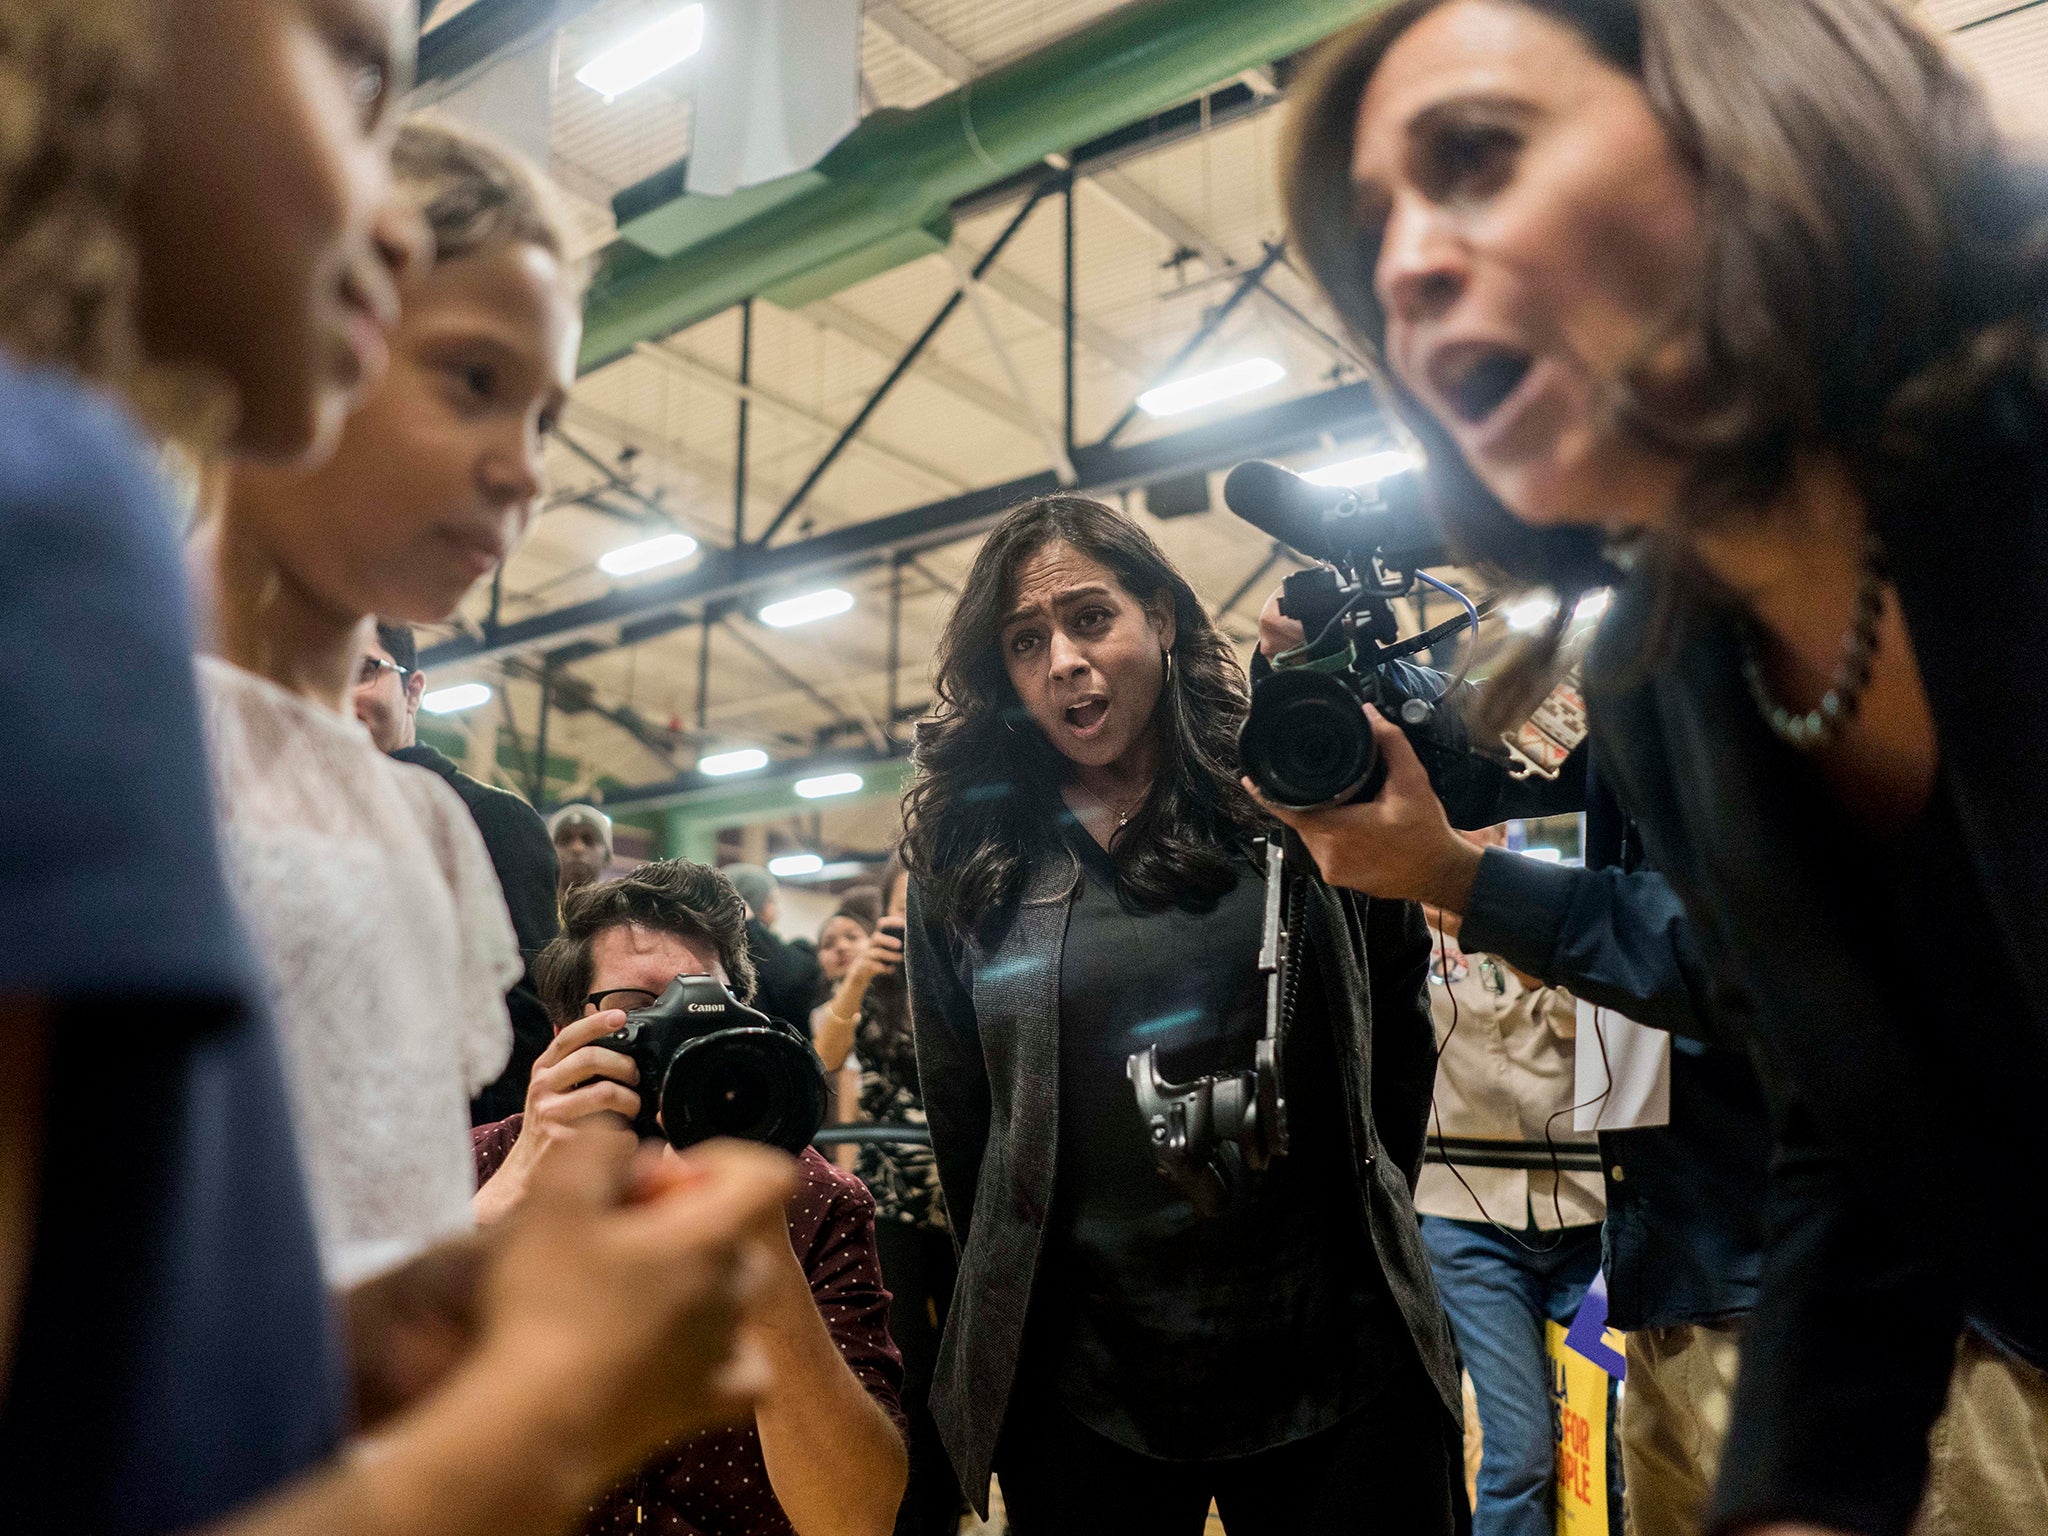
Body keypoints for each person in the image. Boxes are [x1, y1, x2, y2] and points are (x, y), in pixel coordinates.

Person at [0, 5, 791, 1535]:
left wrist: (426, 1313)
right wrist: (551, 1407)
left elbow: (126, 1343)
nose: (373, 213)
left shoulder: (428, 821)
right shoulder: (57, 524)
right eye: (349, 71)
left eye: (547, 413)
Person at [1279, 4, 2048, 1533]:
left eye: (1478, 158)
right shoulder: (1682, 668)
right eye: (1377, 239)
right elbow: (1861, 1117)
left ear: (1745, 117)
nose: (1410, 266)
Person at [900, 495, 1467, 1535]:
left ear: (1159, 616)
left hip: (1332, 1354)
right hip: (1087, 1382)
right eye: (1026, 641)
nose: (1063, 659)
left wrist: (1353, 1192)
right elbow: (967, 1124)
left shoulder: (1286, 792)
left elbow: (1393, 1021)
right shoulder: (967, 860)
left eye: (1089, 618)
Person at [195, 114, 579, 1287]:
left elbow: (381, 1253)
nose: (526, 469)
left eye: (545, 417)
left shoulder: (427, 828)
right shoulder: (93, 714)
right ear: (312, 328)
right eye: (474, 380)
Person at [471, 858, 910, 1536]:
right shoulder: (479, 1168)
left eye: (706, 1007)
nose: (681, 1036)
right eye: (643, 1012)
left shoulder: (815, 1199)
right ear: (564, 1032)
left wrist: (761, 1244)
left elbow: (856, 1521)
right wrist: (511, 1192)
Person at [1414, 828, 1604, 1536]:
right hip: (1470, 1233)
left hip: (1589, 1229)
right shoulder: (1400, 924)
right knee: (1519, 1451)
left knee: (1604, 1431)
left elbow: (1587, 1024)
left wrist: (1509, 927)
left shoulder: (1549, 907)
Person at [358, 619, 560, 1122]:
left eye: (364, 670)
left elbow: (522, 1015)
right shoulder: (289, 819)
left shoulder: (492, 819)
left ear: (412, 690)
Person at [814, 859, 964, 1536]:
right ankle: (920, 1510)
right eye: (900, 906)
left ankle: (959, 1491)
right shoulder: (865, 987)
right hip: (891, 1202)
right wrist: (858, 976)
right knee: (906, 1361)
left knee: (967, 1359)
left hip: (965, 1196)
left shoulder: (963, 963)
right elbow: (825, 1057)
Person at [728, 862, 828, 1028]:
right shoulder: (757, 952)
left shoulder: (785, 951)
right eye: (771, 901)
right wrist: (750, 924)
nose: (778, 910)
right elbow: (790, 982)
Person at [551, 800, 614, 894]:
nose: (577, 848)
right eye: (564, 840)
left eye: (588, 840)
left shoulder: (622, 908)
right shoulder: (530, 907)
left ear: (607, 856)